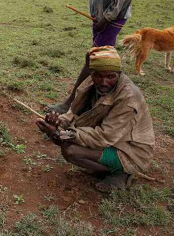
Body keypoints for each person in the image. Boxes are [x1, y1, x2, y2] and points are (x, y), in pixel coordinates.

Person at [36, 46, 154, 192]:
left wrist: (65, 133)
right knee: (60, 138)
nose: (104, 82)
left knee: (71, 150)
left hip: (129, 150)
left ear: (119, 73)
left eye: (111, 77)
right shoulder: (90, 82)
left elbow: (105, 137)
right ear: (91, 73)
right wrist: (58, 122)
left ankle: (121, 172)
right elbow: (74, 112)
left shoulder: (128, 97)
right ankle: (103, 165)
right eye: (98, 76)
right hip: (109, 139)